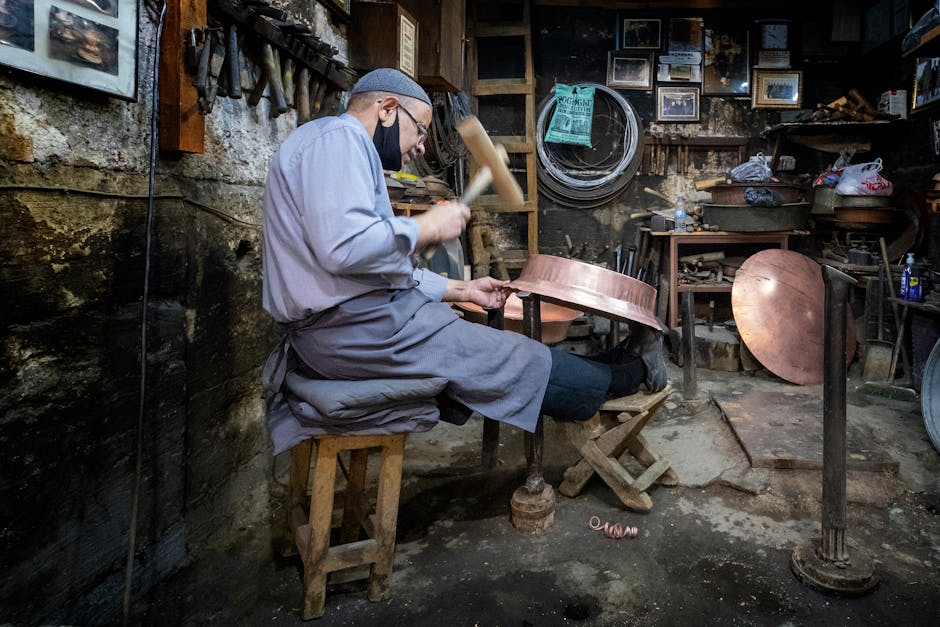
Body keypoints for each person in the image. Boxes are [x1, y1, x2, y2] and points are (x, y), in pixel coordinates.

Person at [261, 68, 666, 443]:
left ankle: (622, 360)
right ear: (387, 110)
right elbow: (345, 248)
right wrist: (426, 226)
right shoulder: (339, 140)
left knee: (507, 354)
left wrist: (462, 289)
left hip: (368, 327)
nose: (420, 147)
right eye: (419, 130)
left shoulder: (338, 150)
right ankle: (635, 371)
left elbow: (372, 267)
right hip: (359, 336)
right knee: (515, 360)